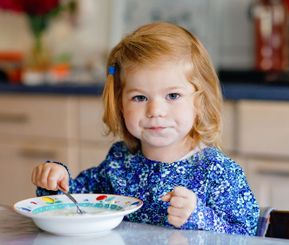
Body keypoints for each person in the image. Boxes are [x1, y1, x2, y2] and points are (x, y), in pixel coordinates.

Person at [31, 22, 259, 235]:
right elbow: (76, 200)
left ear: (199, 102)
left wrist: (198, 216)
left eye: (173, 95)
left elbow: (246, 234)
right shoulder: (119, 162)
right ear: (120, 105)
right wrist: (56, 181)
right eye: (139, 97)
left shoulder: (216, 170)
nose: (155, 110)